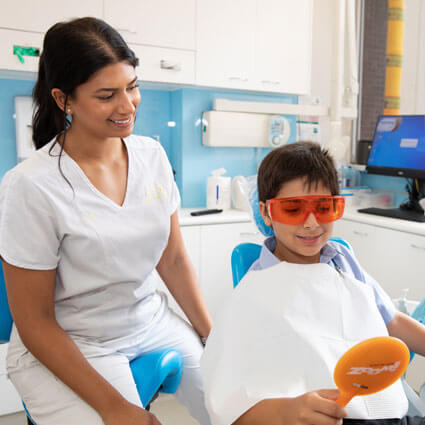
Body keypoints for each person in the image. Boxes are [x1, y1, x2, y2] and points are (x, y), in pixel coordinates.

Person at [0, 17, 212, 425]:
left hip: (148, 320)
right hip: (73, 341)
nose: (127, 105)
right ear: (64, 100)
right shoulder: (32, 185)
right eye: (106, 95)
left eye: (132, 87)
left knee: (235, 398)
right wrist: (115, 407)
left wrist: (212, 335)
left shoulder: (152, 155)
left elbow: (173, 261)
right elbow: (34, 322)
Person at [201, 141, 425, 425]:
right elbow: (228, 405)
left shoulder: (343, 262)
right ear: (267, 213)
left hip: (388, 411)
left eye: (323, 208)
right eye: (293, 210)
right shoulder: (251, 295)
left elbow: (390, 320)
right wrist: (287, 411)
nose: (311, 224)